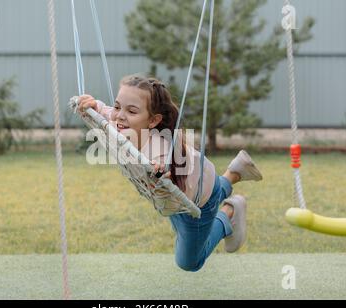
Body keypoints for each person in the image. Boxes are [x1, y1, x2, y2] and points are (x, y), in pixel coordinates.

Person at [77, 74, 262, 272]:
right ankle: (234, 172)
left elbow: (163, 166)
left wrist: (160, 170)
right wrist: (93, 103)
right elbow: (105, 111)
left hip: (198, 200)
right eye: (117, 106)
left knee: (189, 262)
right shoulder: (118, 125)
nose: (120, 115)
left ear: (153, 120)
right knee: (185, 215)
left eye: (131, 111)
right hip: (181, 191)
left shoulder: (159, 149)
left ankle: (228, 213)